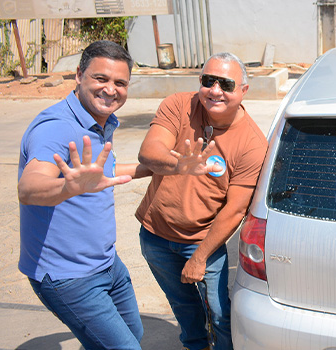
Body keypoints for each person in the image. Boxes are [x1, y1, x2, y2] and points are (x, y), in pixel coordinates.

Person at [17, 40, 151, 349]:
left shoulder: (98, 121)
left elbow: (105, 175)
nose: (110, 89)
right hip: (69, 277)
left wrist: (160, 169)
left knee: (134, 335)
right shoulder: (56, 127)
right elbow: (29, 187)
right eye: (100, 79)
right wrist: (67, 187)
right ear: (79, 75)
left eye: (120, 82)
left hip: (106, 263)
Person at [135, 52, 267, 350]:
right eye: (209, 81)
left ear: (243, 90)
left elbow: (235, 210)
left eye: (226, 84)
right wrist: (181, 166)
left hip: (202, 242)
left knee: (220, 314)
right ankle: (196, 345)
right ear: (200, 82)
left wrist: (200, 257)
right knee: (182, 305)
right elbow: (149, 152)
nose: (216, 90)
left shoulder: (252, 145)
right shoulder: (179, 105)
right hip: (155, 236)